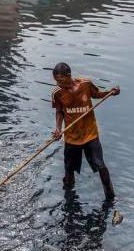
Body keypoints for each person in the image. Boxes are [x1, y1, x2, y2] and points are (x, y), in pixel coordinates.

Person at [50, 62, 120, 199]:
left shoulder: (85, 84)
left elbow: (98, 94)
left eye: (60, 80)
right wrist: (58, 129)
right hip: (71, 137)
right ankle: (69, 195)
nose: (58, 84)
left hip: (90, 134)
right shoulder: (57, 93)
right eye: (56, 81)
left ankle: (110, 196)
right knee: (69, 169)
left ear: (69, 76)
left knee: (100, 165)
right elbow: (59, 112)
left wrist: (111, 92)